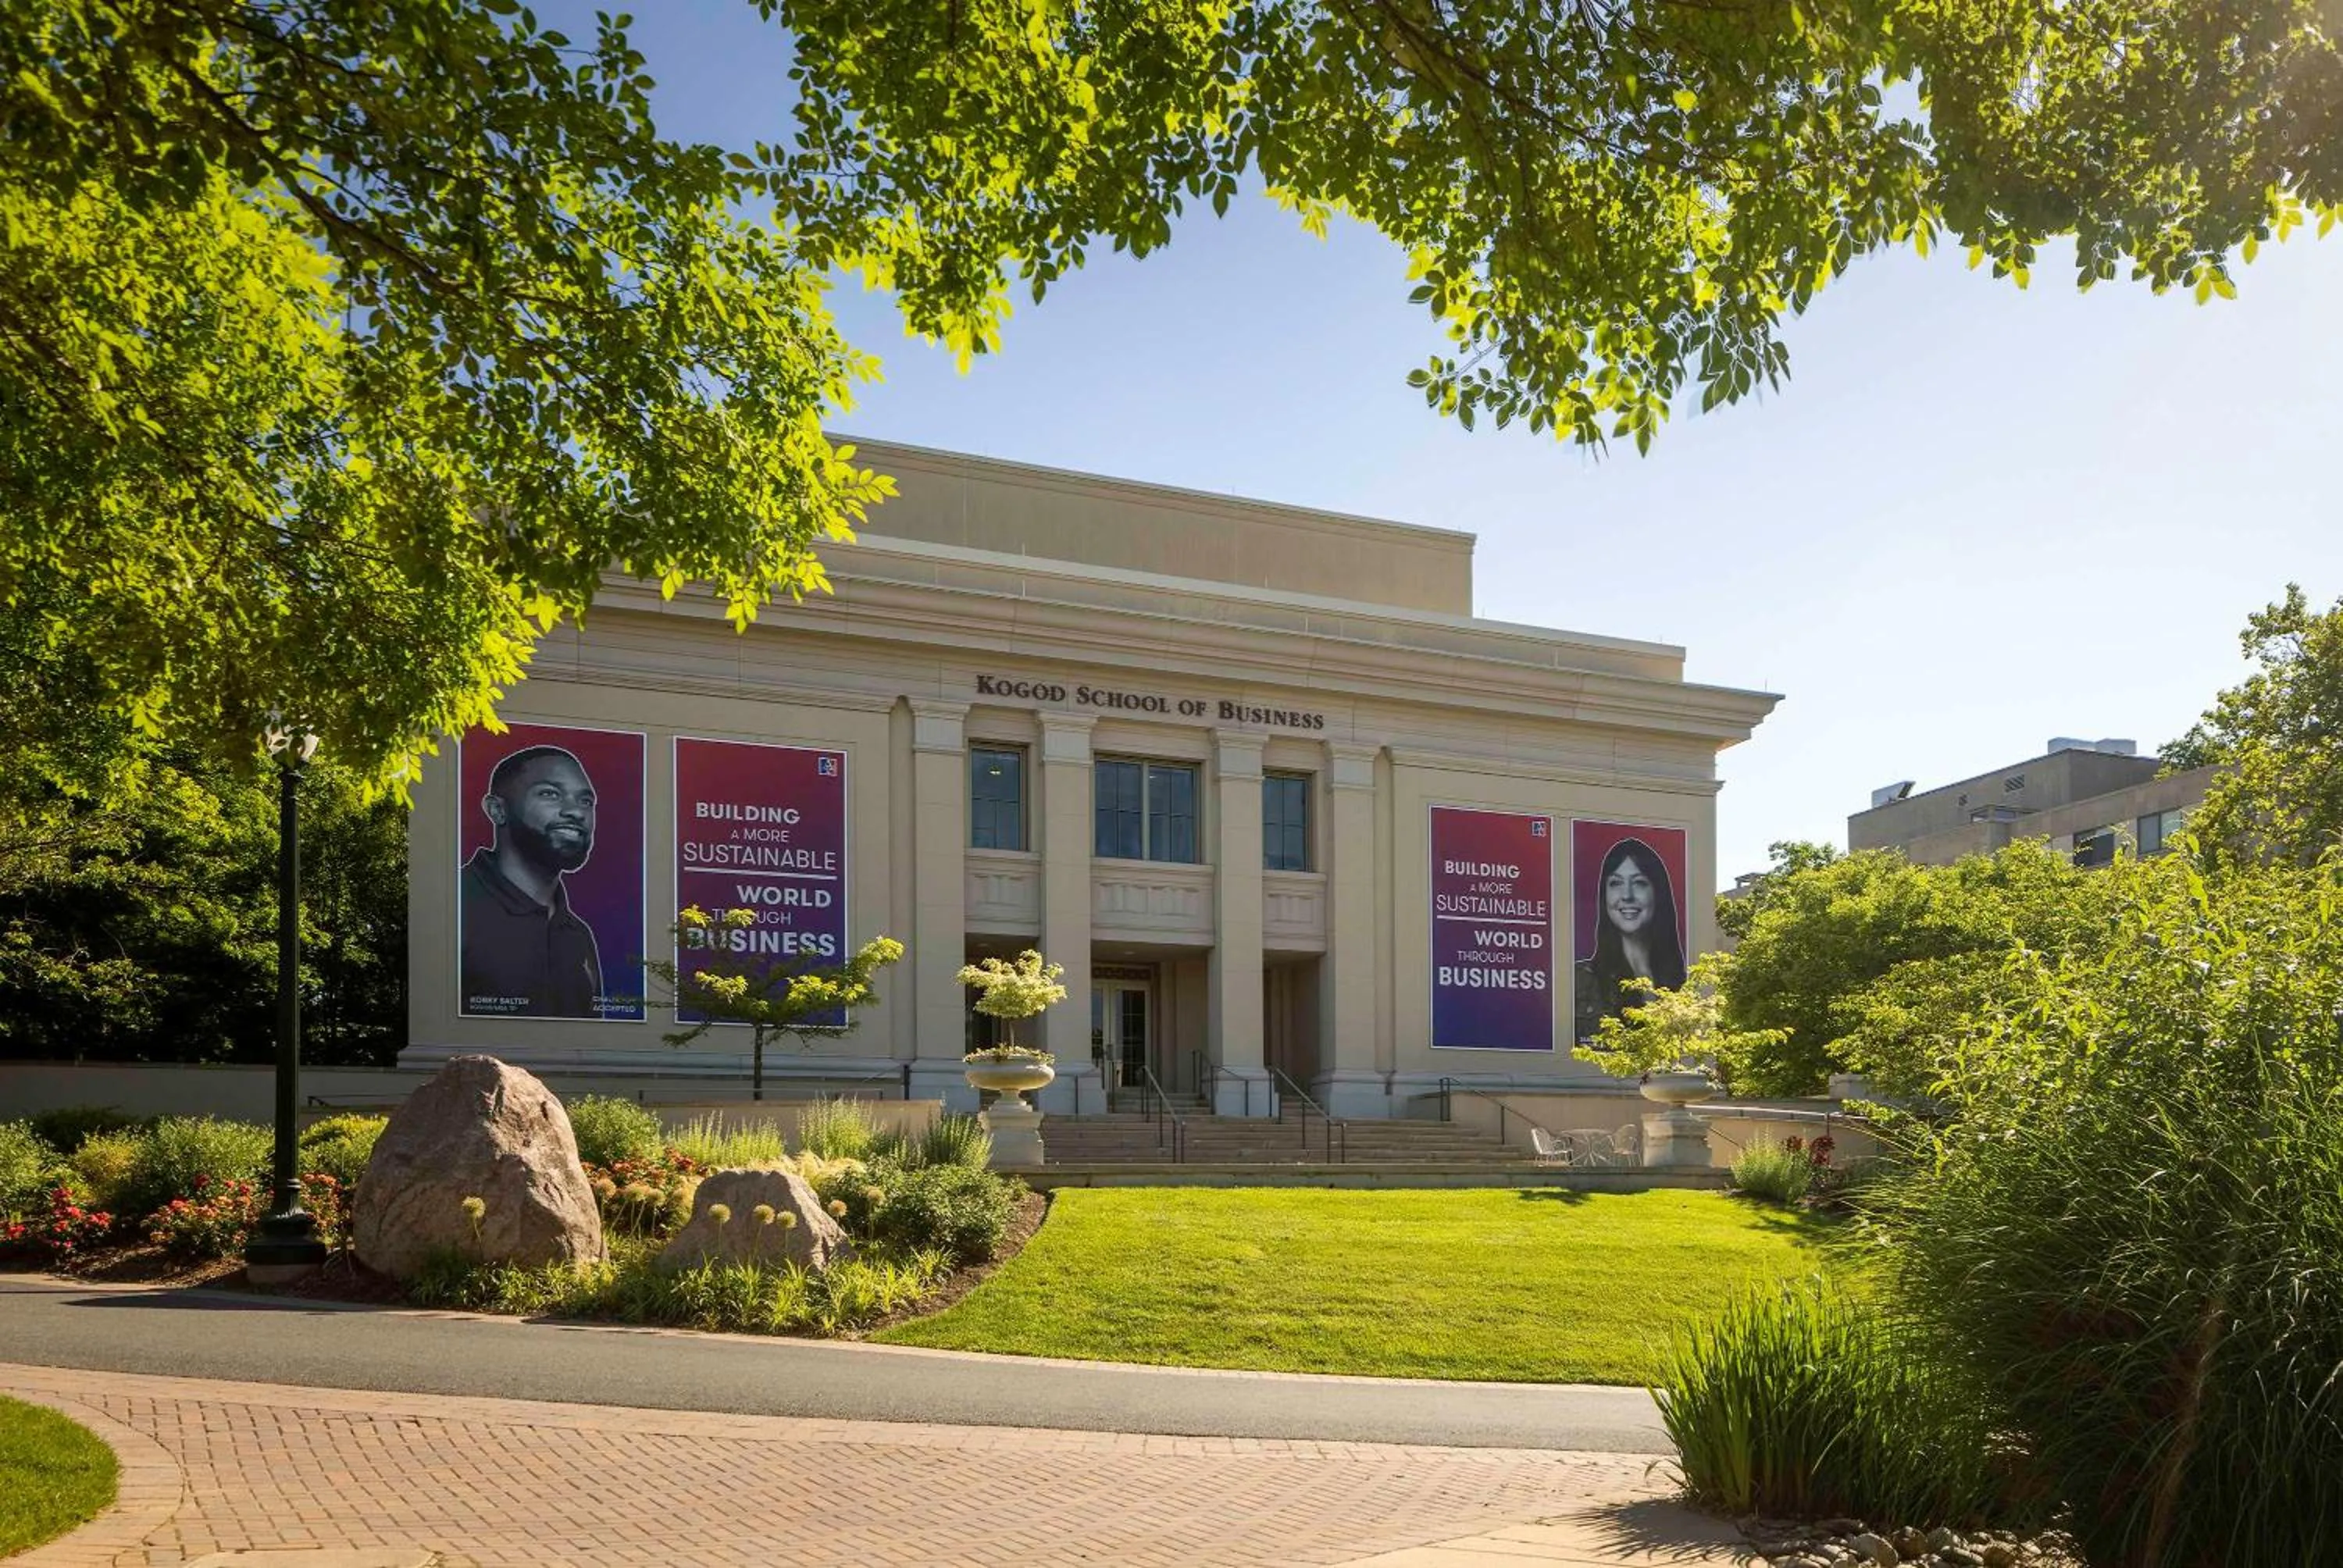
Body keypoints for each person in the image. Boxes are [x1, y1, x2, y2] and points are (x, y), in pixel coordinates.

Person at [460, 745, 605, 1017]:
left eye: (586, 801)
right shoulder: (452, 905)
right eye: (550, 794)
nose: (575, 812)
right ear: (497, 810)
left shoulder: (579, 935)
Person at [1574, 836, 1686, 1044]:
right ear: (1604, 895)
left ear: (1658, 892)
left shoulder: (1687, 984)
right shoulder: (1579, 981)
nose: (1626, 895)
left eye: (1640, 883)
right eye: (1616, 883)